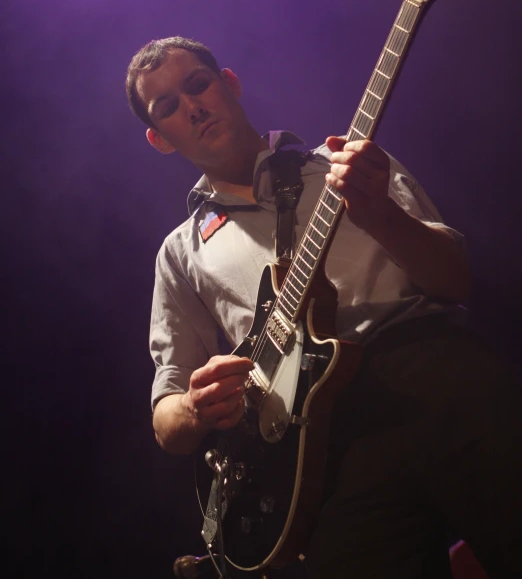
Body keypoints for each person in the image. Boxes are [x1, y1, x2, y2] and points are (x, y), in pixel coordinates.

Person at [126, 36, 522, 579]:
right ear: (158, 138)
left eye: (198, 84)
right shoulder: (180, 252)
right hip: (319, 448)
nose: (191, 106)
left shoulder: (346, 164)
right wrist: (195, 407)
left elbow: (456, 281)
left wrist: (381, 213)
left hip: (434, 376)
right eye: (167, 106)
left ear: (230, 84)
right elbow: (165, 416)